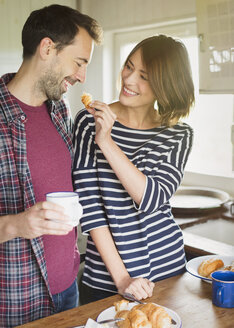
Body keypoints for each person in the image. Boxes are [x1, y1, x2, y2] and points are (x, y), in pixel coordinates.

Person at [0, 4, 102, 327]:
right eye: (79, 62)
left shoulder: (61, 112)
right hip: (16, 303)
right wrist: (16, 225)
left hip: (69, 289)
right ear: (47, 48)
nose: (82, 76)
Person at [73, 34, 194, 304]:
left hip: (168, 273)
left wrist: (106, 142)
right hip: (107, 279)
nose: (128, 80)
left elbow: (150, 199)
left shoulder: (178, 134)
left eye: (144, 76)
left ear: (166, 86)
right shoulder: (88, 121)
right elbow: (90, 209)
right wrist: (123, 279)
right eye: (129, 67)